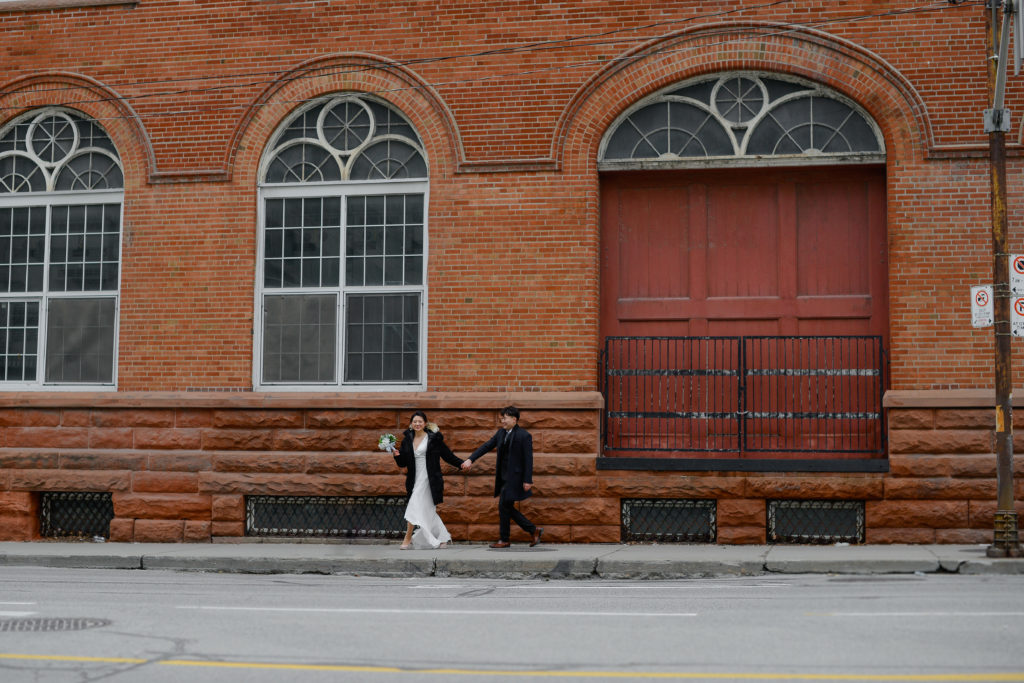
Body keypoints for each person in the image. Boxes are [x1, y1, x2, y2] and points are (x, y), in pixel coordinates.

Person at [461, 405, 542, 548]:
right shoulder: (500, 433)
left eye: (505, 418)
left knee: (504, 506)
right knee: (505, 507)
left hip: (515, 478)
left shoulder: (524, 435)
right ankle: (532, 530)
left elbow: (528, 459)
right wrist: (471, 459)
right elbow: (486, 446)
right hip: (503, 477)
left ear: (514, 419)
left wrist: (527, 480)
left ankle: (506, 539)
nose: (502, 421)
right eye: (502, 419)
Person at [390, 411, 465, 549]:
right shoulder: (407, 440)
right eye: (415, 422)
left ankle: (407, 538)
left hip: (430, 478)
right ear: (411, 424)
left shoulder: (434, 439)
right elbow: (403, 463)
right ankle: (442, 537)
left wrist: (461, 464)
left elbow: (447, 455)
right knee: (428, 511)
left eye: (420, 421)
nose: (417, 424)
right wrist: (397, 455)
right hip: (414, 478)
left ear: (425, 423)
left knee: (414, 505)